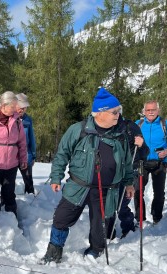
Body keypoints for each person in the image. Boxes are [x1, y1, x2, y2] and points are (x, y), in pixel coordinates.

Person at [41, 87, 134, 264]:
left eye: (118, 111)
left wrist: (129, 183)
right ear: (100, 113)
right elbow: (62, 154)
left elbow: (127, 163)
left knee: (100, 224)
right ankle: (54, 250)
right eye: (114, 111)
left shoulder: (120, 135)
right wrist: (56, 177)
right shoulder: (79, 130)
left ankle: (96, 250)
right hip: (78, 186)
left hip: (106, 191)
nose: (118, 114)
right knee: (61, 218)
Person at [134, 100, 167, 224]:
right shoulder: (138, 124)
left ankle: (156, 217)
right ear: (144, 111)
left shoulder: (165, 124)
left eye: (153, 110)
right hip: (142, 163)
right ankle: (139, 219)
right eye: (148, 110)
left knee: (158, 193)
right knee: (138, 192)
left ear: (158, 111)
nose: (150, 112)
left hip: (160, 163)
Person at [106, 115, 149, 239]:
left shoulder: (130, 126)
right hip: (111, 171)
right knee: (110, 202)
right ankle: (109, 231)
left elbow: (145, 152)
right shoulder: (103, 126)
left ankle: (128, 226)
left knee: (121, 202)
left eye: (115, 111)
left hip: (130, 170)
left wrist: (141, 145)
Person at [16, 93, 36, 194]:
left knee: (28, 179)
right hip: (12, 155)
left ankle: (31, 198)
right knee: (8, 181)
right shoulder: (9, 118)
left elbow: (31, 138)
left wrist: (33, 155)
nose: (23, 110)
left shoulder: (28, 120)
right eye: (21, 107)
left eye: (25, 108)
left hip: (26, 154)